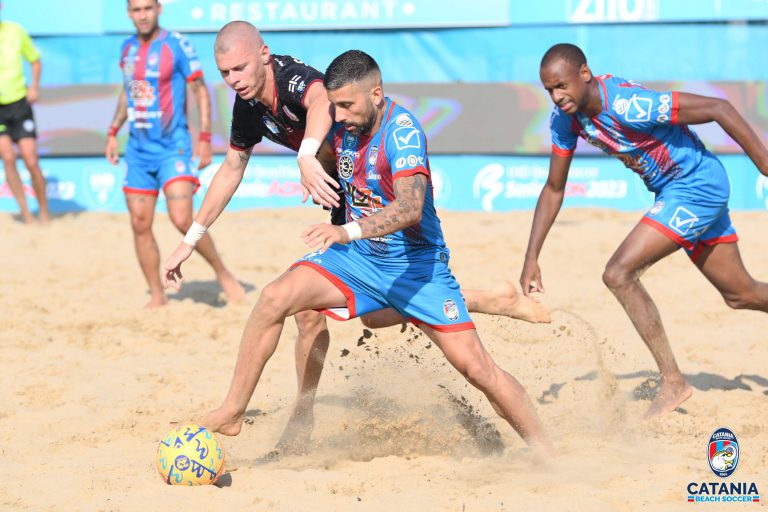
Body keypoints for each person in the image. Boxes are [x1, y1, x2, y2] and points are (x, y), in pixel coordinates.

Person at [164, 21, 550, 453]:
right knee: (278, 299)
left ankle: (547, 454)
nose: (338, 116)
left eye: (345, 106)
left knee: (475, 369)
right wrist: (189, 240)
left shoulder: (395, 129)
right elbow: (235, 166)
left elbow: (408, 207)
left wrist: (314, 170)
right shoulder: (301, 115)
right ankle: (240, 411)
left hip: (411, 259)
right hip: (355, 245)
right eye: (225, 73)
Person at [521, 43, 768, 418]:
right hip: (676, 192)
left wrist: (764, 165)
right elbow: (554, 188)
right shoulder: (565, 120)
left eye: (561, 86)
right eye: (549, 90)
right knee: (741, 294)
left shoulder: (627, 105)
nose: (556, 97)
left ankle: (673, 382)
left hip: (695, 187)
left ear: (584, 74)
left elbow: (720, 108)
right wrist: (532, 257)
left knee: (618, 273)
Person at [105, 0, 243, 308]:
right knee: (139, 224)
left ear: (159, 8)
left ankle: (222, 273)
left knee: (182, 219)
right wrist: (113, 130)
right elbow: (128, 92)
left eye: (147, 8)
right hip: (138, 151)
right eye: (136, 10)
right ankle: (157, 295)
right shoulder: (127, 48)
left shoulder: (176, 44)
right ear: (129, 13)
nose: (142, 15)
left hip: (173, 147)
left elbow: (200, 90)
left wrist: (205, 138)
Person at [0, 4, 49, 223]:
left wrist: (35, 86)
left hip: (19, 103)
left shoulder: (14, 30)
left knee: (30, 160)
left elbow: (34, 59)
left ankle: (44, 211)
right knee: (8, 158)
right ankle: (26, 213)